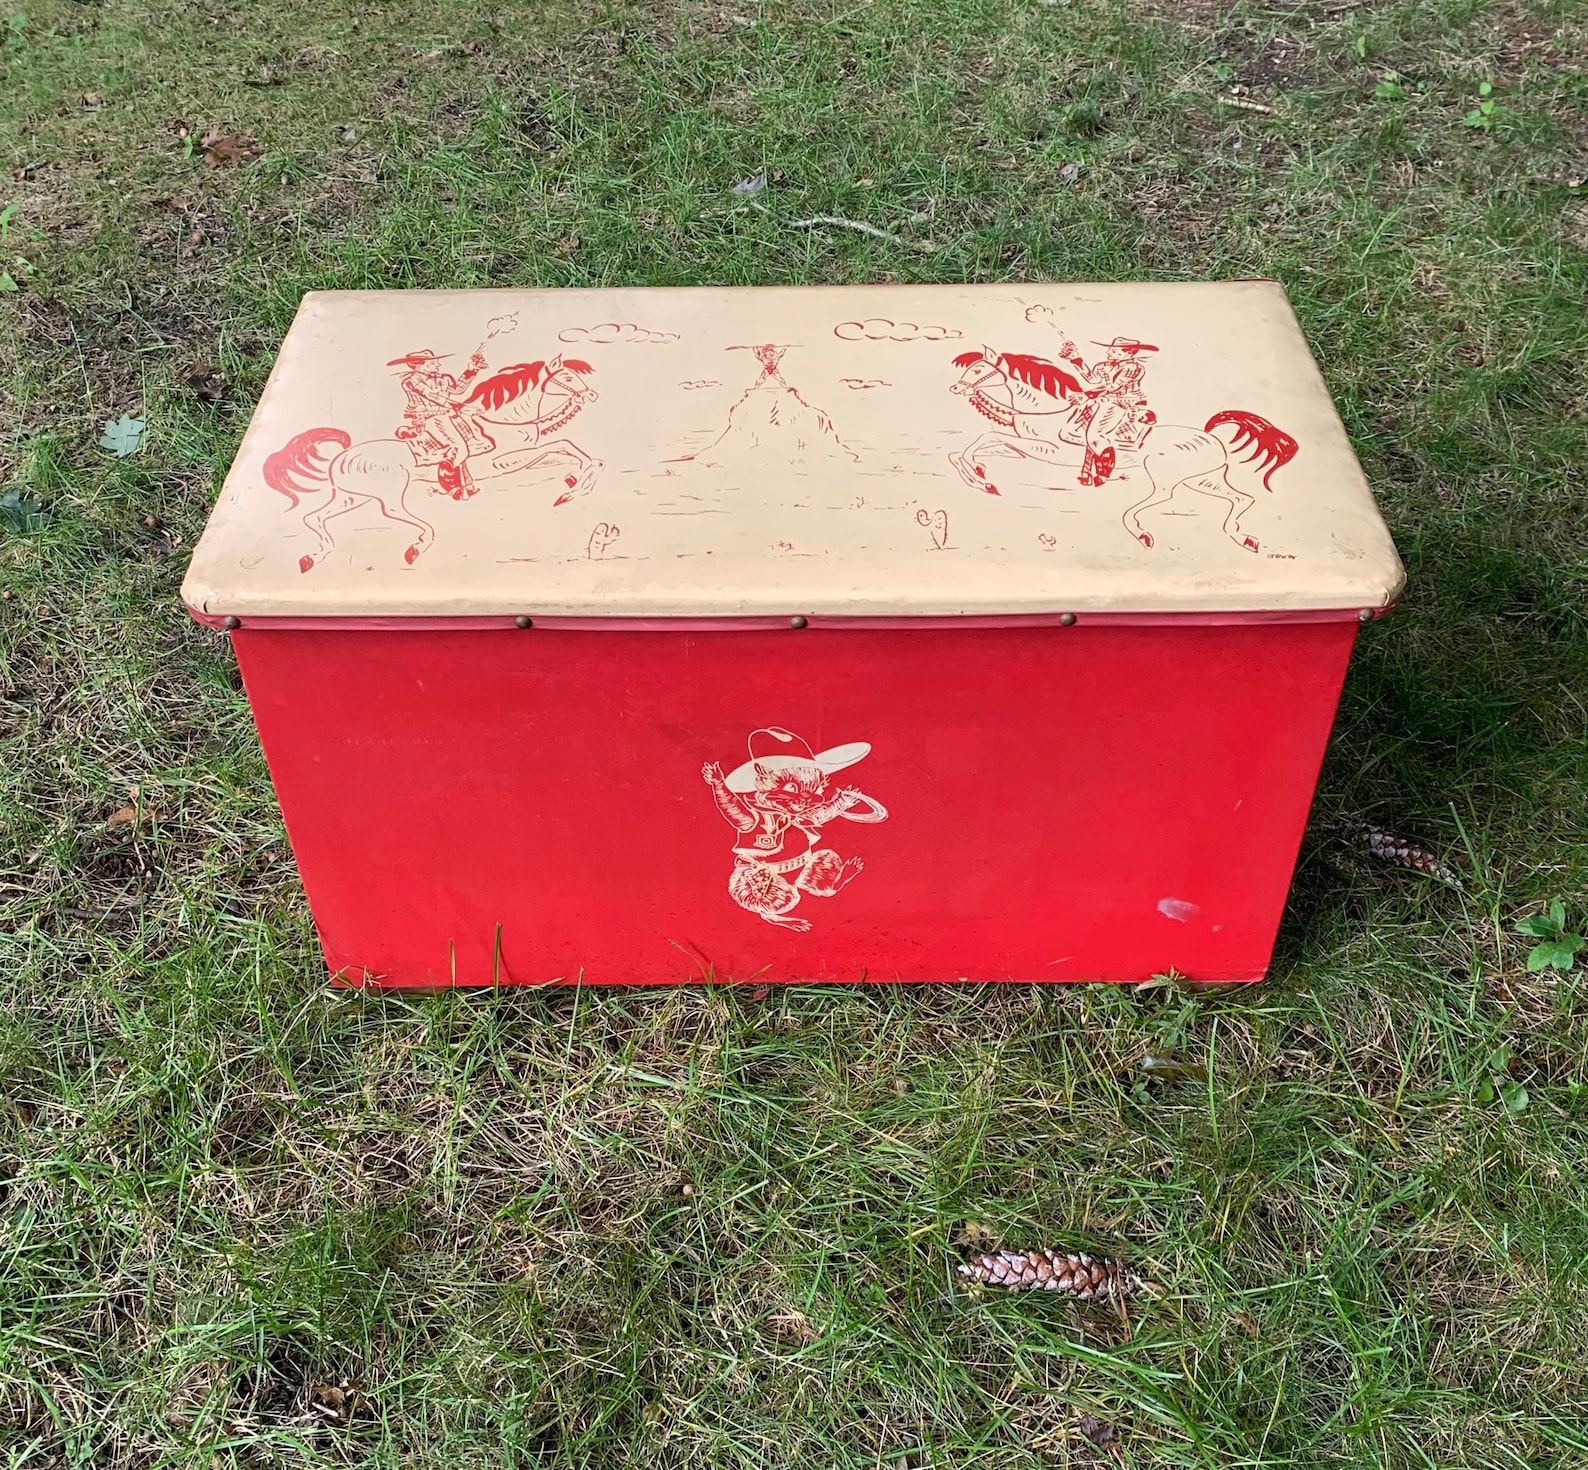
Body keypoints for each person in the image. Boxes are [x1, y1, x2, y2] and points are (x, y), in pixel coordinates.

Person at [1052, 335, 1159, 486]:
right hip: (1103, 400)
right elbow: (1091, 379)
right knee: (1078, 429)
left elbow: (1114, 387)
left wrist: (1086, 395)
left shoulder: (1134, 368)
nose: (1108, 352)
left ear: (1128, 353)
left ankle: (1103, 471)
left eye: (1114, 350)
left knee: (1095, 434)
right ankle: (1088, 471)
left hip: (1124, 402)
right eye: (1110, 349)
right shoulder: (1104, 366)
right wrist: (1075, 358)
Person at [388, 348, 492, 498]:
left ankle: (464, 486)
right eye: (433, 362)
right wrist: (461, 407)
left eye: (436, 361)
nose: (437, 364)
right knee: (459, 449)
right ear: (418, 365)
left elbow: (457, 390)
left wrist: (472, 371)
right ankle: (449, 486)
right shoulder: (411, 381)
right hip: (428, 417)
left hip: (446, 415)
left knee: (464, 449)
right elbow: (432, 397)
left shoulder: (443, 378)